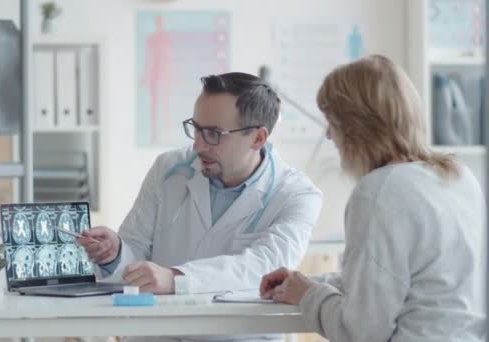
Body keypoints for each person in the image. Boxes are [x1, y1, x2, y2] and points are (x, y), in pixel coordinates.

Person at [79, 72, 322, 341]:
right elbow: (135, 252)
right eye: (196, 128)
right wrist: (115, 254)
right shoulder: (169, 170)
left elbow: (264, 268)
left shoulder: (297, 194)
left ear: (258, 138)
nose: (197, 145)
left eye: (213, 134)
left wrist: (176, 278)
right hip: (159, 334)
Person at [260, 55, 486, 341]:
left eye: (332, 122)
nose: (329, 135)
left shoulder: (380, 191)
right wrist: (306, 283)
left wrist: (309, 295)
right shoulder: (459, 178)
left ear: (355, 127)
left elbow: (361, 330)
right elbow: (403, 284)